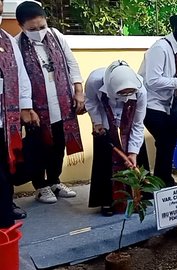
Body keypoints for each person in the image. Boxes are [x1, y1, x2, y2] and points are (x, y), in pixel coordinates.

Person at [16, 1, 84, 204]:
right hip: (37, 106)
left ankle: (54, 180)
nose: (38, 31)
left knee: (59, 143)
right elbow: (17, 77)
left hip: (61, 101)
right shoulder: (17, 44)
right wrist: (25, 107)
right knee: (39, 146)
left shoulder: (55, 35)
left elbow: (71, 62)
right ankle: (41, 186)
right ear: (22, 26)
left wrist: (78, 90)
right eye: (32, 29)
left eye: (41, 26)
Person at [139, 14, 177, 186]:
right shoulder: (160, 48)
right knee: (166, 138)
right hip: (151, 103)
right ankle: (162, 179)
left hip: (171, 105)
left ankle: (162, 178)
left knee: (169, 141)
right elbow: (152, 80)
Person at [85, 61, 147, 216]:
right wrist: (97, 122)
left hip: (129, 116)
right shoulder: (95, 80)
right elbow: (91, 101)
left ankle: (138, 197)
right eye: (122, 93)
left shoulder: (141, 90)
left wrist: (133, 152)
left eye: (129, 93)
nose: (125, 96)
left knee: (136, 153)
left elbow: (138, 124)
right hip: (104, 115)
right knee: (105, 155)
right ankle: (107, 201)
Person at [0, 0, 39, 226]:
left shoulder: (7, 40)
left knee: (7, 164)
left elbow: (21, 74)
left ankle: (6, 204)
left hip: (8, 118)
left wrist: (25, 106)